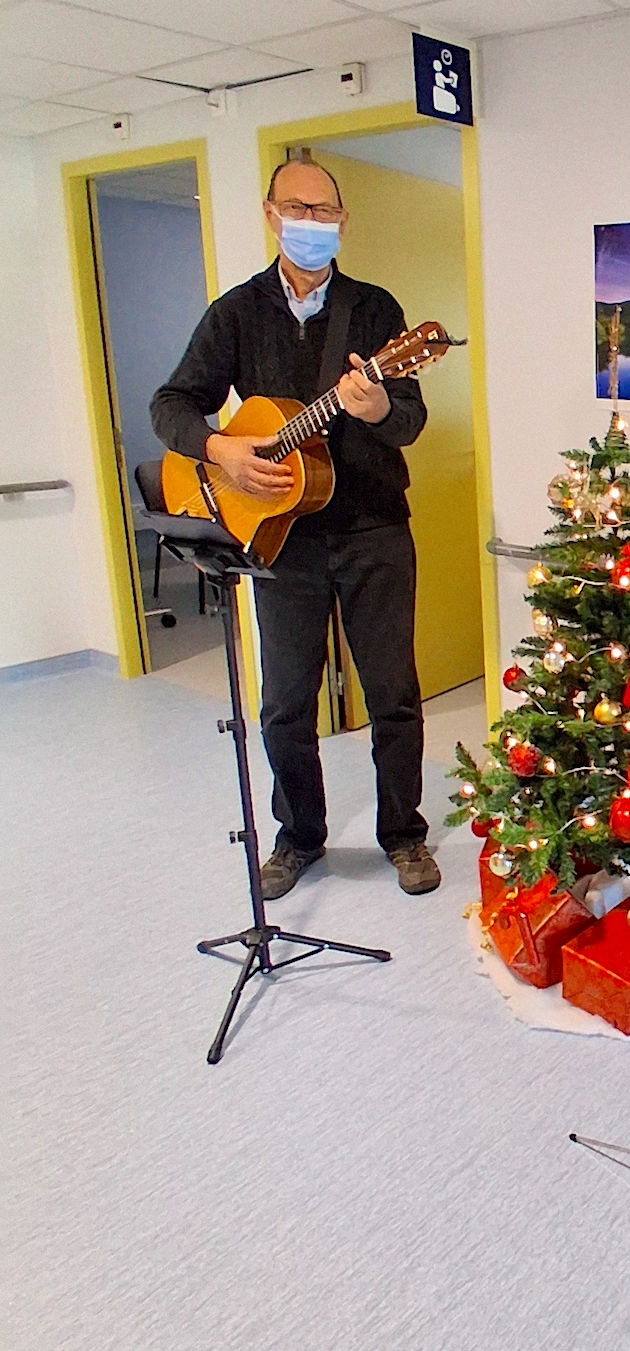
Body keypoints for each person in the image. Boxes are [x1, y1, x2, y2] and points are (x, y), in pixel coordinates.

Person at [151, 159, 441, 900]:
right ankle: (299, 836)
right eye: (298, 208)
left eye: (326, 211)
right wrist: (221, 451)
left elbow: (409, 419)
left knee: (393, 693)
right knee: (284, 701)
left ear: (342, 222)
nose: (312, 222)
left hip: (374, 528)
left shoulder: (375, 309)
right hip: (280, 538)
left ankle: (404, 834)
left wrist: (379, 407)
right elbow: (172, 404)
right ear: (271, 213)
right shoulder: (235, 313)